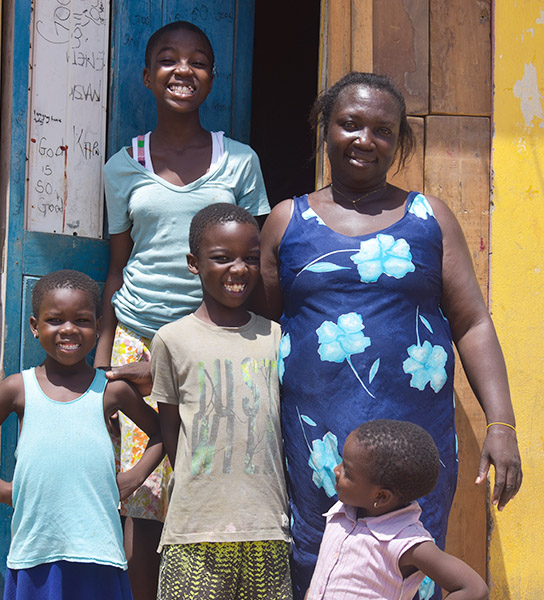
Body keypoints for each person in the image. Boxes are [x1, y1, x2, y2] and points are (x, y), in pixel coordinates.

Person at [257, 72, 522, 599]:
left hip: (412, 446)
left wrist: (501, 424)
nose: (364, 139)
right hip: (316, 445)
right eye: (350, 124)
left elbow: (471, 322)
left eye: (382, 129)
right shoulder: (287, 221)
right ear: (325, 129)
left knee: (409, 571)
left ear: (399, 140)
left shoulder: (430, 218)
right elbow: (263, 329)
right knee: (320, 568)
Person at [95, 20, 270, 598]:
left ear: (212, 78)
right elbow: (119, 267)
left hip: (217, 344)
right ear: (147, 77)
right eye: (167, 60)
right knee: (145, 505)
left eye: (196, 61)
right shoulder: (123, 166)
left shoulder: (239, 161)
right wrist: (102, 358)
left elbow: (257, 264)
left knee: (209, 476)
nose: (182, 70)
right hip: (140, 337)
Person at [0, 270, 164, 600]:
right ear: (35, 327)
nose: (68, 329)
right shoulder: (17, 388)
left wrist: (134, 477)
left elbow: (161, 433)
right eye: (55, 320)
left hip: (99, 551)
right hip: (37, 550)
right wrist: (4, 490)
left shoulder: (110, 390)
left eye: (81, 320)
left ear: (97, 327)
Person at [151, 203, 292, 600]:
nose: (238, 269)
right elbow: (172, 433)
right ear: (193, 263)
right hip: (194, 529)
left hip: (267, 527)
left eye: (250, 258)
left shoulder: (277, 337)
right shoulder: (171, 340)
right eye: (221, 258)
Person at [305, 420, 489, 600]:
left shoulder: (406, 542)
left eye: (347, 471)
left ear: (381, 497)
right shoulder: (341, 513)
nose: (336, 471)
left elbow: (474, 589)